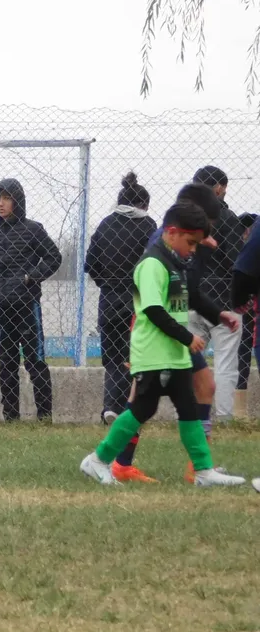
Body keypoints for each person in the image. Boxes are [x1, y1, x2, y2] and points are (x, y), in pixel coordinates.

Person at [80, 201, 245, 488]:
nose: (193, 249)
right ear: (171, 232)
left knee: (189, 409)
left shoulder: (175, 263)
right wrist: (187, 337)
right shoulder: (152, 265)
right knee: (141, 410)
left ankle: (203, 471)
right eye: (190, 242)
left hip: (175, 355)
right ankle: (98, 459)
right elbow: (154, 311)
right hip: (154, 355)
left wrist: (218, 316)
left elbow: (189, 298)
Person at [0, 179, 62, 422]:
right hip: (1, 308)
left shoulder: (33, 229)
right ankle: (10, 417)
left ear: (17, 201)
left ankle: (44, 416)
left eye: (5, 198)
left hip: (27, 306)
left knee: (35, 361)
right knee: (6, 363)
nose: (0, 203)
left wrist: (30, 277)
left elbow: (54, 257)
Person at [84, 172, 157, 423]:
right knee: (132, 357)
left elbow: (90, 263)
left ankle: (109, 407)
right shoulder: (148, 226)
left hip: (109, 300)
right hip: (136, 301)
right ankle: (126, 408)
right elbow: (154, 264)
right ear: (144, 204)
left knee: (112, 358)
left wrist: (105, 283)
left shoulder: (106, 224)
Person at [190, 165, 244, 420]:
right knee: (225, 362)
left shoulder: (183, 217)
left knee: (189, 360)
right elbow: (235, 260)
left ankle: (189, 412)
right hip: (223, 297)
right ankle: (223, 415)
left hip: (190, 296)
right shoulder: (227, 218)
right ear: (219, 188)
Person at [234, 212, 257, 419]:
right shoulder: (240, 249)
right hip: (244, 308)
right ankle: (239, 409)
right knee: (242, 352)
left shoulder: (251, 248)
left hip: (251, 308)